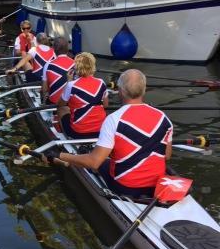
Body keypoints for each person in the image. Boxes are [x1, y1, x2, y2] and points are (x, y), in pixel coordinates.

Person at [45, 69, 173, 199]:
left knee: (99, 162)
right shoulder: (164, 118)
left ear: (120, 91)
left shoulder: (114, 119)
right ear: (144, 90)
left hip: (125, 188)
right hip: (157, 185)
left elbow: (94, 162)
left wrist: (59, 155)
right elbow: (166, 155)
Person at [56, 52, 108, 138]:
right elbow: (105, 105)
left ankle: (66, 137)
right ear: (93, 67)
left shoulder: (71, 85)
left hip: (78, 132)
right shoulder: (102, 82)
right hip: (100, 132)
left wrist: (69, 81)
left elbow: (60, 104)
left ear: (76, 68)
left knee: (62, 109)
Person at [42, 37, 75, 104]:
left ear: (53, 49)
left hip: (53, 104)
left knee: (45, 95)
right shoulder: (76, 64)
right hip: (71, 105)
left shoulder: (48, 64)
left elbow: (44, 89)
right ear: (67, 49)